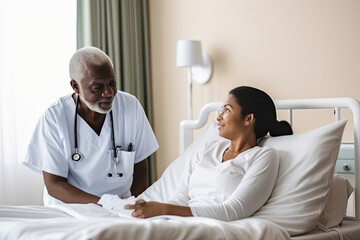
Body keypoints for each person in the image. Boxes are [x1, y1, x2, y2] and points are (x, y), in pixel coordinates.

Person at [125, 86, 292, 221]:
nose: (218, 117)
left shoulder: (263, 157)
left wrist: (163, 209)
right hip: (183, 221)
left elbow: (234, 210)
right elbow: (181, 196)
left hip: (215, 227)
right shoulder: (209, 148)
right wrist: (157, 216)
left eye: (226, 110)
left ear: (248, 119)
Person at [24, 46, 159, 206]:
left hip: (120, 208)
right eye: (97, 87)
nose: (108, 92)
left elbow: (140, 168)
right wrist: (105, 204)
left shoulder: (130, 106)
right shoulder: (55, 117)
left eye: (112, 83)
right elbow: (54, 185)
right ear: (75, 86)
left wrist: (134, 207)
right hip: (70, 210)